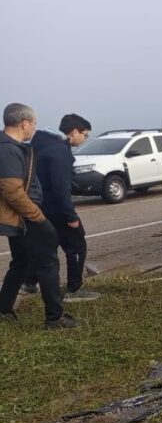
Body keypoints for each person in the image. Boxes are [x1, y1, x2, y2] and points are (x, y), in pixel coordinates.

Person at [0, 103, 78, 329]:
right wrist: (39, 218)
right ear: (24, 123)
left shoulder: (11, 146)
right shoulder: (7, 149)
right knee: (48, 263)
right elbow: (12, 192)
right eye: (33, 123)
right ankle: (55, 318)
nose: (34, 128)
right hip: (26, 217)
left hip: (21, 217)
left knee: (22, 263)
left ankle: (3, 308)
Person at [23, 114, 99, 302]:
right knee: (77, 244)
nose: (85, 139)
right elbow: (60, 187)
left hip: (39, 205)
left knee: (47, 243)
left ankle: (29, 282)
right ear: (74, 132)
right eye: (85, 134)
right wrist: (70, 216)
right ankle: (74, 290)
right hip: (57, 208)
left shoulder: (40, 144)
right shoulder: (60, 151)